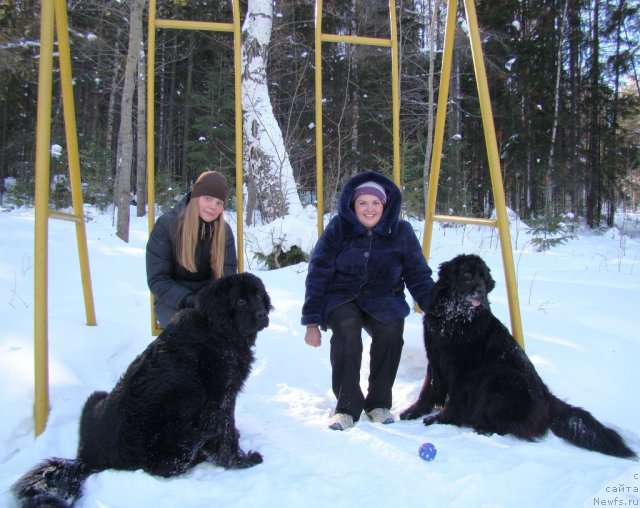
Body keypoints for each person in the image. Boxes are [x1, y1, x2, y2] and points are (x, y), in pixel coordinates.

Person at [301, 171, 434, 431]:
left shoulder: (401, 231)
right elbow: (319, 272)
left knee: (390, 330)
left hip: (384, 296)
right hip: (342, 296)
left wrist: (435, 308)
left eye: (376, 203)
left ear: (385, 205)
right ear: (353, 205)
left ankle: (378, 403)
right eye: (363, 202)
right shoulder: (339, 228)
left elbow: (418, 273)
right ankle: (346, 406)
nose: (369, 209)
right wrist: (312, 322)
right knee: (347, 328)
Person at [146, 170, 237, 327]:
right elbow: (158, 279)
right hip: (173, 301)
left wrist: (210, 303)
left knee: (225, 330)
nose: (213, 207)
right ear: (196, 197)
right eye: (208, 198)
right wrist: (190, 300)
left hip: (209, 301)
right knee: (191, 329)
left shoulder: (224, 232)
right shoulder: (167, 225)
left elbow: (225, 278)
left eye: (219, 203)